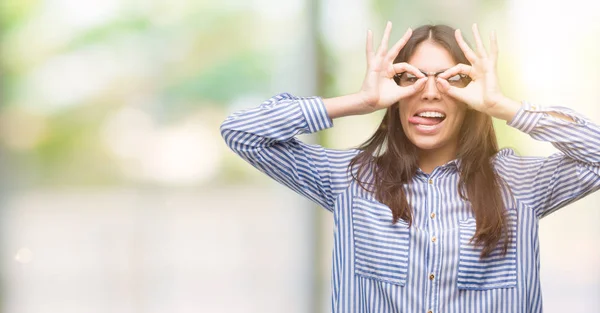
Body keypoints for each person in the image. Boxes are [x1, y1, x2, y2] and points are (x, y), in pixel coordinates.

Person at [220, 22, 600, 313]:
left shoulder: (520, 183)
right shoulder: (349, 179)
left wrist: (502, 106)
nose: (430, 92)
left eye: (453, 80)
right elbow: (242, 132)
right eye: (409, 78)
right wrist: (359, 100)